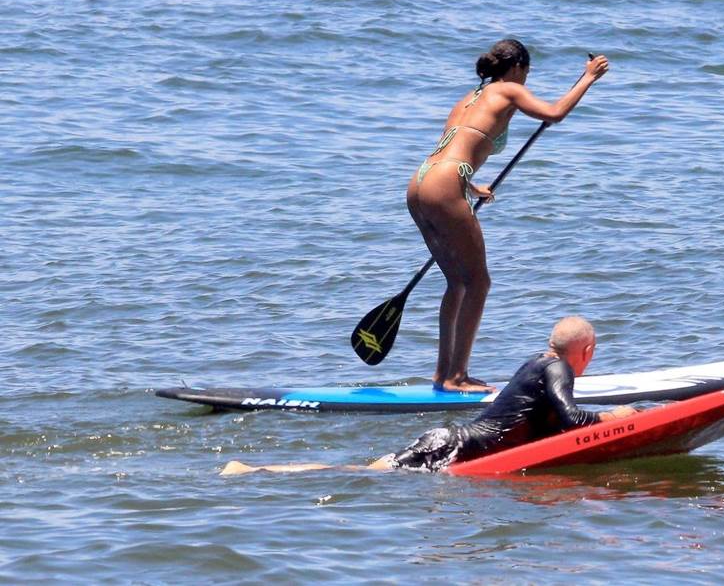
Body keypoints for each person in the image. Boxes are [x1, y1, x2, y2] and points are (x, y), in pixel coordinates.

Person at [407, 40, 610, 393]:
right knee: (479, 282)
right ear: (516, 68)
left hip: (422, 181)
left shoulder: (469, 98)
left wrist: (470, 186)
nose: (525, 82)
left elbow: (452, 148)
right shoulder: (509, 89)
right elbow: (555, 113)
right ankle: (457, 377)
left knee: (458, 282)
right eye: (527, 73)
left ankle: (443, 375)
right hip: (447, 185)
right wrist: (588, 78)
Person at [220, 316, 635, 476]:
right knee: (358, 472)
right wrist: (618, 418)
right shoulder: (558, 368)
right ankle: (254, 471)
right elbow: (572, 421)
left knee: (365, 469)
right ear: (587, 352)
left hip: (451, 440)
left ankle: (256, 470)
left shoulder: (535, 363)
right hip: (452, 447)